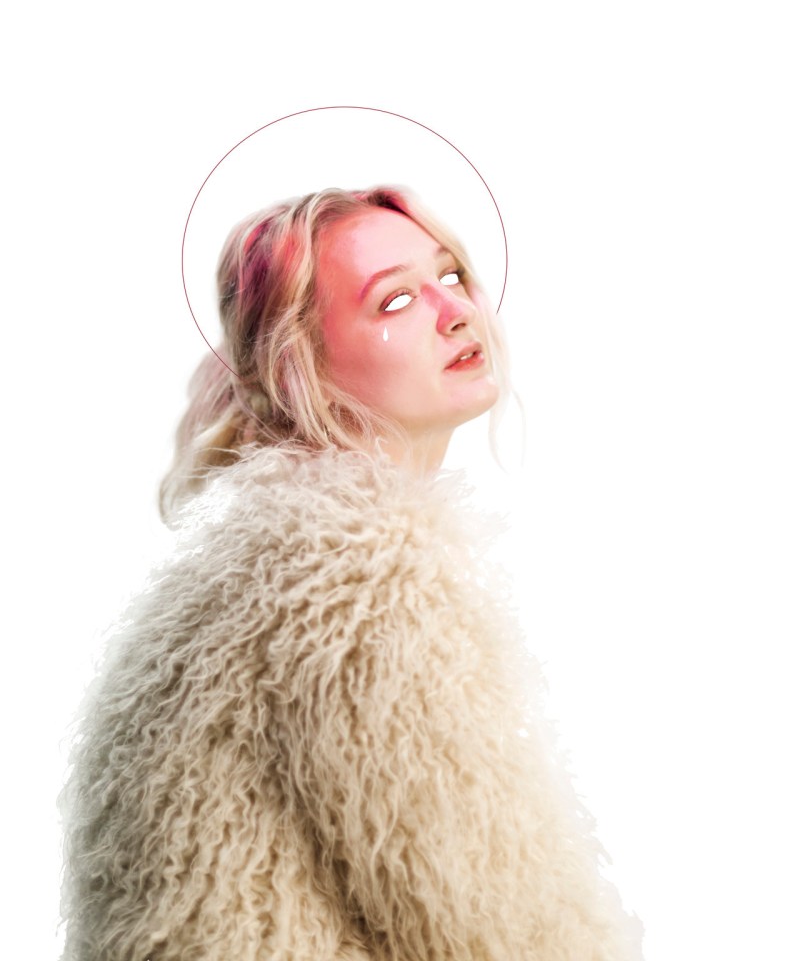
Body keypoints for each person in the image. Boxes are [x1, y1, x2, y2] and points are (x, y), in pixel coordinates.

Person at [59, 185, 643, 960]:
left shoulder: (269, 553)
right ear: (301, 364)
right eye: (395, 300)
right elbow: (493, 923)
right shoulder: (356, 573)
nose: (456, 311)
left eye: (450, 275)